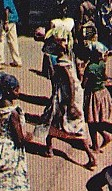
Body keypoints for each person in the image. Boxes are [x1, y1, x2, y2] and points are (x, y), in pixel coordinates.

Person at [38, 33, 97, 170]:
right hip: (70, 95)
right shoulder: (68, 58)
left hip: (67, 97)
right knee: (56, 120)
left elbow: (69, 82)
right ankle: (50, 147)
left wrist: (70, 103)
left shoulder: (61, 64)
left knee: (62, 121)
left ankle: (89, 156)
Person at [82, 42, 112, 152]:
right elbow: (104, 77)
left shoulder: (90, 67)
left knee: (91, 122)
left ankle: (95, 146)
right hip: (102, 92)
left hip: (93, 95)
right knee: (97, 120)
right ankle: (105, 136)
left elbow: (83, 84)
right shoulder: (102, 64)